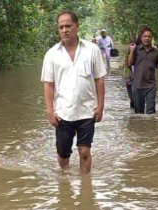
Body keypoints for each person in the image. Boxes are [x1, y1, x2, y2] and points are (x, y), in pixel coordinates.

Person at [41, 11, 106, 174]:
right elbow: (48, 85)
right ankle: (65, 180)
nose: (64, 30)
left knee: (84, 151)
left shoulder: (92, 50)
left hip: (87, 111)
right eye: (61, 27)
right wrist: (50, 112)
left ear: (77, 27)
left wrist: (100, 107)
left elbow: (99, 79)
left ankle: (86, 186)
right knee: (63, 154)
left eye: (68, 26)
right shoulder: (51, 54)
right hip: (63, 113)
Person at [128, 27, 158, 114]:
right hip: (138, 85)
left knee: (151, 112)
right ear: (141, 38)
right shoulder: (136, 50)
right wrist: (132, 51)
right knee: (139, 113)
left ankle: (151, 126)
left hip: (151, 86)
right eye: (144, 36)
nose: (146, 38)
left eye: (149, 36)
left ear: (152, 38)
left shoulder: (156, 52)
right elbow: (130, 63)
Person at [120, 35, 142, 109]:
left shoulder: (131, 50)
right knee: (134, 100)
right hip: (131, 78)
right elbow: (127, 64)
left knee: (134, 100)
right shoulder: (131, 50)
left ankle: (134, 117)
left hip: (132, 78)